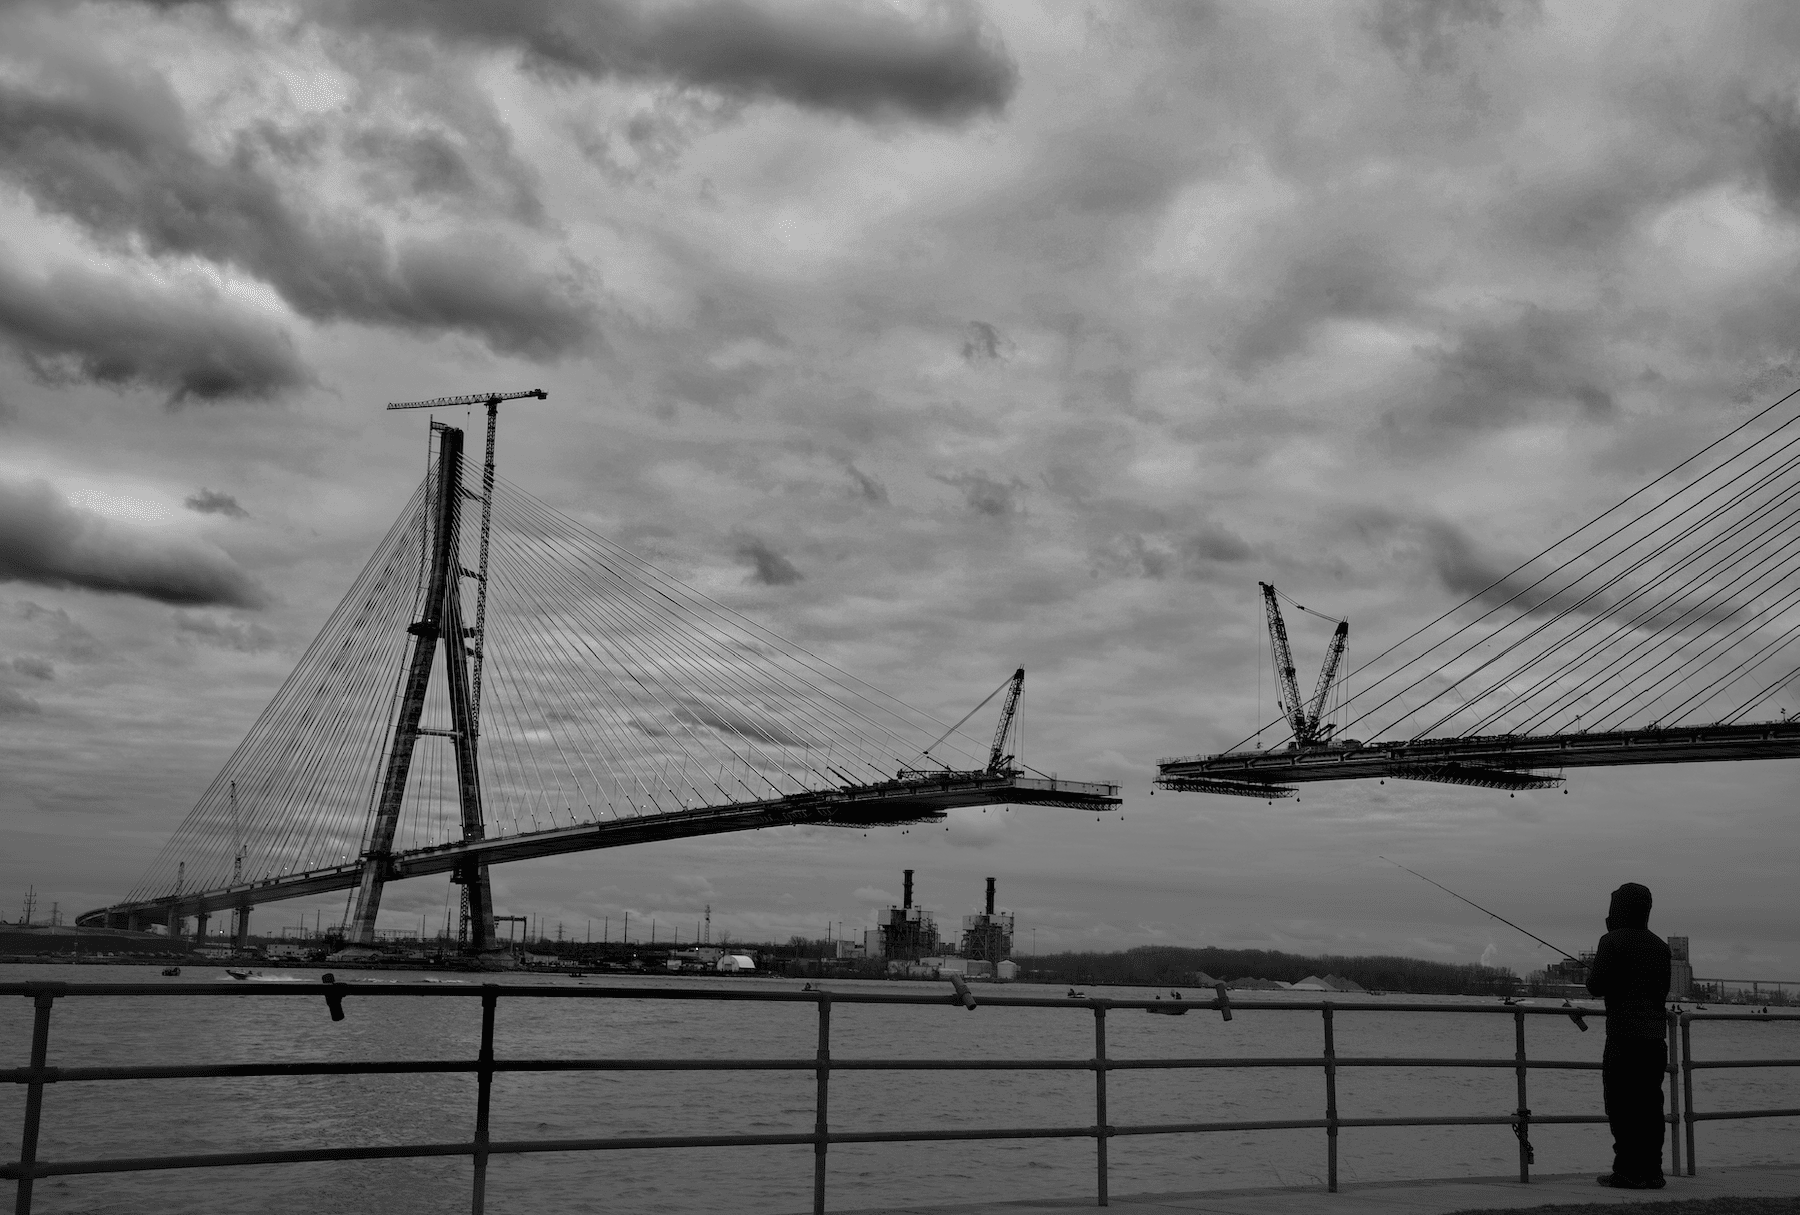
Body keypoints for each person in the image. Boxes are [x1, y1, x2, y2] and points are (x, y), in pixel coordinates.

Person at [1585, 882, 1672, 1189]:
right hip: (1655, 1040)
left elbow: (1596, 985)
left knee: (1621, 1106)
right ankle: (1652, 1172)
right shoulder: (1661, 946)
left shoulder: (1611, 941)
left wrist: (1610, 936)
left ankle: (1626, 1171)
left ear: (1616, 909)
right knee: (1650, 1107)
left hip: (1623, 1038)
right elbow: (1660, 990)